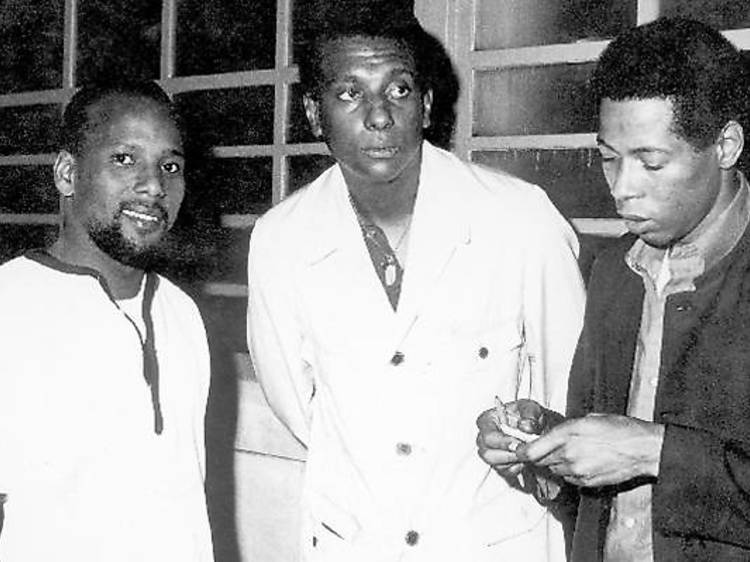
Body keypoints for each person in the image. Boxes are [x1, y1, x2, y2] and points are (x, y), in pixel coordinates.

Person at [246, 17, 585, 561]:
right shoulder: (282, 240)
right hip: (355, 544)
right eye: (349, 93)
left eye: (398, 89)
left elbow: (569, 396)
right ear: (314, 113)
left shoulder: (521, 220)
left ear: (426, 105)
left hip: (491, 544)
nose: (379, 116)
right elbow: (298, 406)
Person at [477, 17, 750, 561]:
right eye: (608, 158)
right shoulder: (615, 272)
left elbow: (643, 454)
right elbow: (594, 493)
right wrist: (548, 448)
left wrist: (654, 453)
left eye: (650, 162)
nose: (622, 190)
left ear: (725, 145)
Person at [0, 81, 214, 561]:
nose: (154, 185)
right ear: (67, 173)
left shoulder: (182, 314)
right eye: (124, 159)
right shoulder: (9, 308)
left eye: (170, 166)